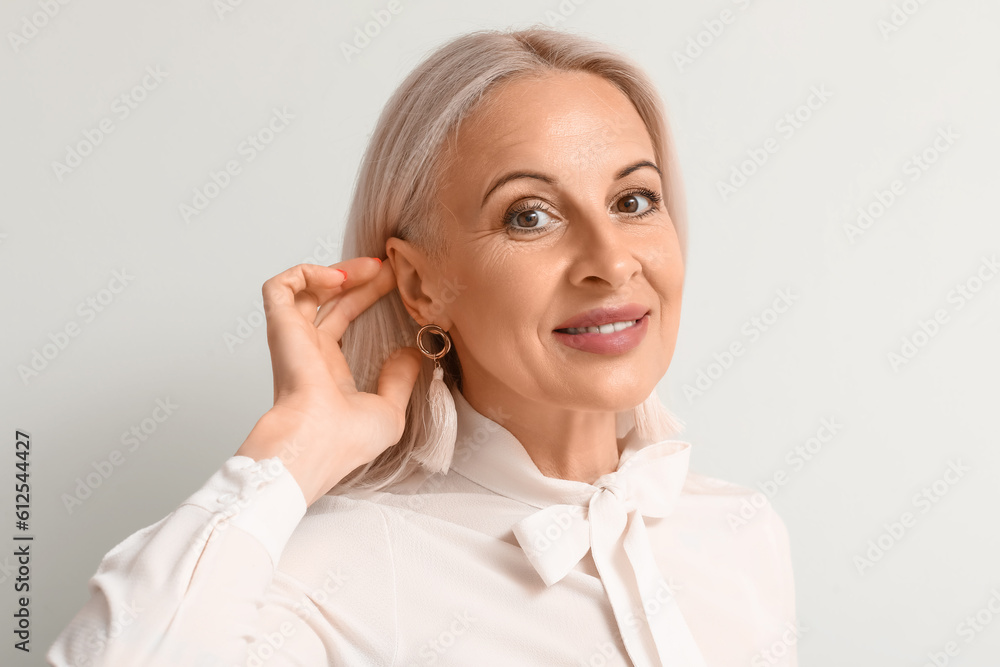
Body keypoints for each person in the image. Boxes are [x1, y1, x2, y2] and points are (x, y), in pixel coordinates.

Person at [47, 27, 798, 666]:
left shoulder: (742, 532)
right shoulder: (337, 572)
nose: (611, 258)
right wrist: (290, 453)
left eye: (633, 201)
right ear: (420, 285)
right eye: (530, 216)